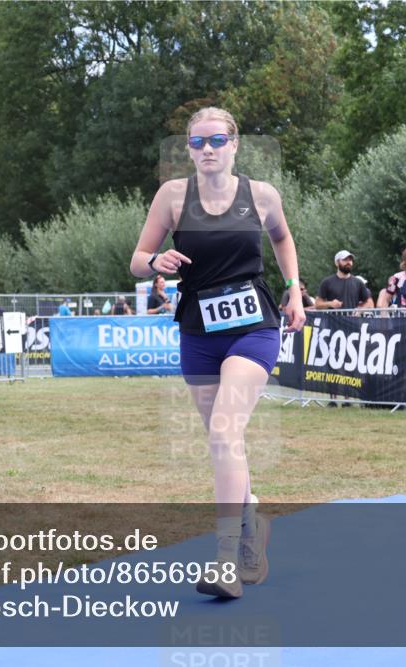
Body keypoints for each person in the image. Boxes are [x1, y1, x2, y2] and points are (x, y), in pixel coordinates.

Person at [130, 107, 304, 599]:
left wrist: (294, 288)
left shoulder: (262, 195)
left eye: (217, 140)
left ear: (234, 145)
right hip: (198, 332)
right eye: (197, 142)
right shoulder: (172, 196)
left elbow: (283, 238)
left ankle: (227, 559)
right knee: (224, 443)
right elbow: (137, 260)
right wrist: (155, 261)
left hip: (254, 327)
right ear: (188, 149)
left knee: (226, 432)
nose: (207, 149)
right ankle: (253, 525)